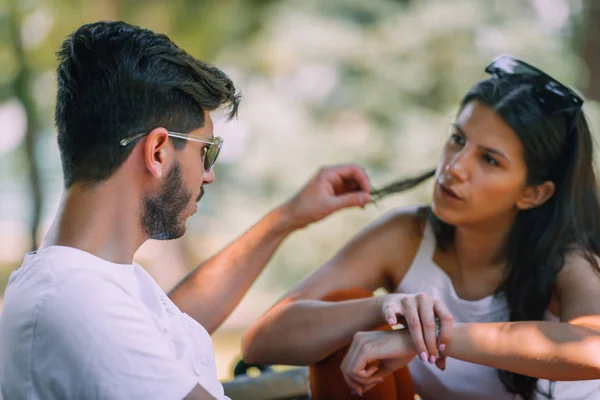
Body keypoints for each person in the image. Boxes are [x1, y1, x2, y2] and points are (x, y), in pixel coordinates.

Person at [0, 21, 372, 400]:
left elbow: (177, 323)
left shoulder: (87, 283)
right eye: (205, 150)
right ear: (158, 151)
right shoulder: (81, 303)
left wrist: (289, 217)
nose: (208, 175)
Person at [242, 55, 600, 400]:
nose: (455, 167)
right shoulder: (406, 236)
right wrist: (382, 308)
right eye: (458, 139)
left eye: (489, 160)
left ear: (533, 193)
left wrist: (423, 337)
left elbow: (595, 348)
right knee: (344, 307)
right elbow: (261, 341)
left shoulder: (567, 260)